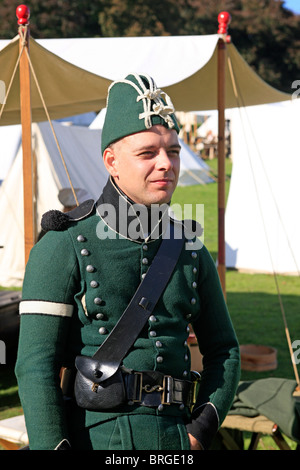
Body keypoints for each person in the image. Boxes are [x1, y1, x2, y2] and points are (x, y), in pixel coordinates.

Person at [15, 73, 240, 451]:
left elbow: (225, 350)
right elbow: (35, 366)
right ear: (112, 161)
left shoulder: (190, 248)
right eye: (148, 153)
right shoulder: (63, 243)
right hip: (96, 437)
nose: (166, 164)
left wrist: (201, 429)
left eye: (173, 151)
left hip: (178, 440)